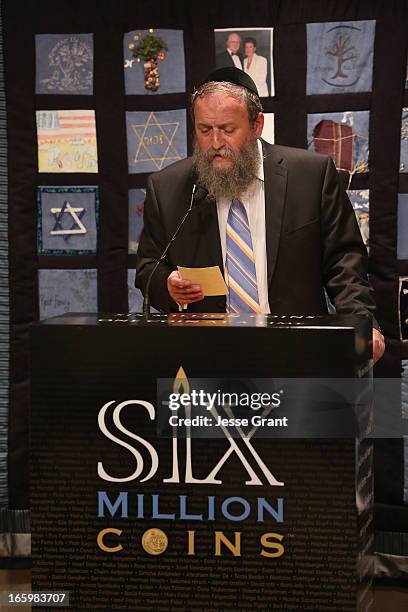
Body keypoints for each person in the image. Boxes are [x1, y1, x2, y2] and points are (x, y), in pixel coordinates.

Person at [136, 67, 385, 363]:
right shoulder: (168, 188)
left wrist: (360, 323)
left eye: (228, 129)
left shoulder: (310, 175)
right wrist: (168, 285)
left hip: (298, 354)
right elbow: (148, 267)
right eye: (204, 130)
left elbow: (344, 263)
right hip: (207, 357)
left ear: (257, 125)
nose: (215, 143)